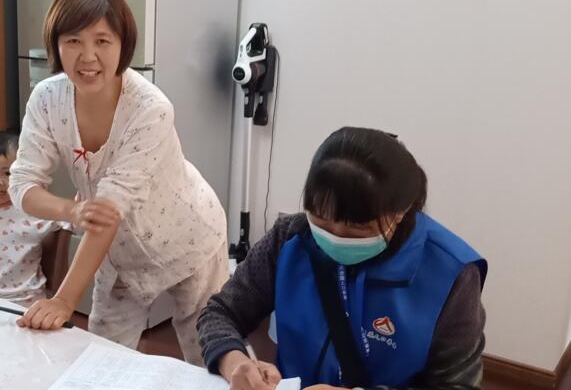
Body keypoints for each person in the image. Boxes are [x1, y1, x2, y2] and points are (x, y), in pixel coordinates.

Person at [8, 0, 228, 365]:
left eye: (102, 41)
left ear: (123, 45)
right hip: (118, 254)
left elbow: (109, 209)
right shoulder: (47, 99)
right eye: (73, 40)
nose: (88, 56)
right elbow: (22, 184)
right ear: (56, 44)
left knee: (208, 356)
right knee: (103, 359)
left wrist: (64, 300)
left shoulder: (150, 109)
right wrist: (71, 210)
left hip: (189, 240)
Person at [197, 127, 487, 389]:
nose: (335, 237)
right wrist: (235, 362)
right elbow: (221, 312)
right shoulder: (290, 238)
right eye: (321, 221)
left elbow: (457, 384)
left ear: (400, 212)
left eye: (357, 228)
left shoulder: (450, 273)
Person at [0, 131, 65, 307]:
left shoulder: (32, 208)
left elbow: (74, 220)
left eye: (8, 173)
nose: (1, 183)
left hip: (26, 301)